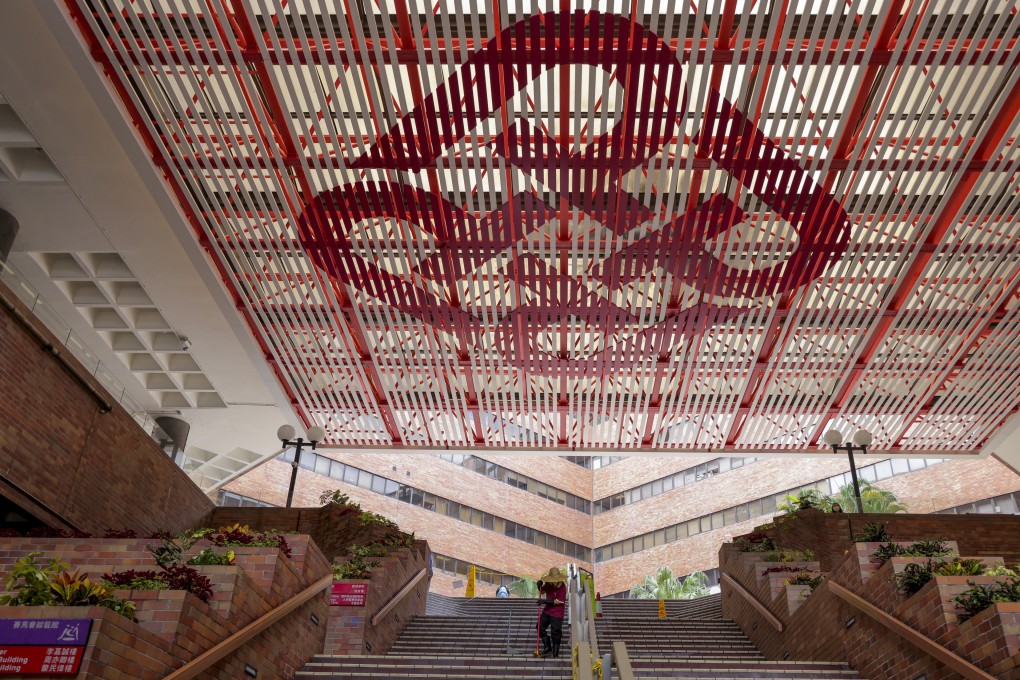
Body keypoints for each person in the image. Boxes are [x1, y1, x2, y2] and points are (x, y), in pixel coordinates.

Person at [535, 566, 567, 658]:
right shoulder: (549, 584)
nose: (552, 582)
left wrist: (544, 601)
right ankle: (547, 647)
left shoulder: (562, 587)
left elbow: (558, 601)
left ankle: (555, 654)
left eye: (554, 580)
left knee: (556, 632)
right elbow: (543, 592)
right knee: (539, 626)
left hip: (557, 613)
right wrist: (539, 585)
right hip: (547, 611)